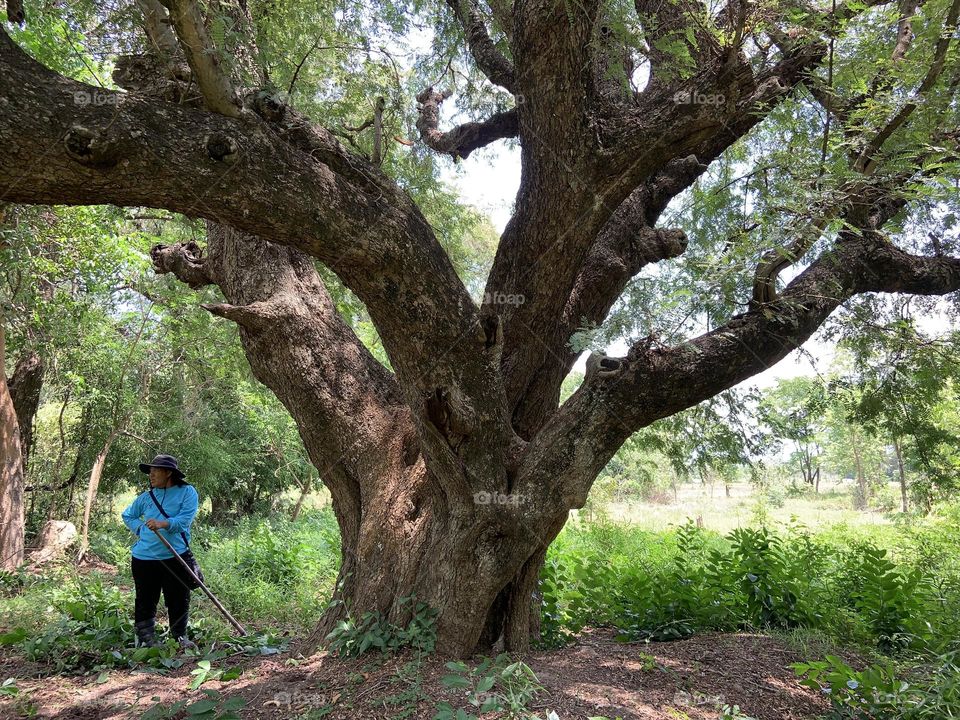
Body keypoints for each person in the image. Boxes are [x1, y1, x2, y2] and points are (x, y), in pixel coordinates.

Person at [121, 454, 200, 649]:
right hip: (144, 557)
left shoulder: (187, 492)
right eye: (150, 472)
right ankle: (146, 637)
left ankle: (179, 636)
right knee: (146, 598)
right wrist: (140, 529)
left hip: (175, 555)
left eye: (156, 471)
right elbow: (128, 515)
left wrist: (162, 524)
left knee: (178, 597)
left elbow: (184, 522)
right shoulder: (147, 497)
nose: (151, 475)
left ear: (169, 473)